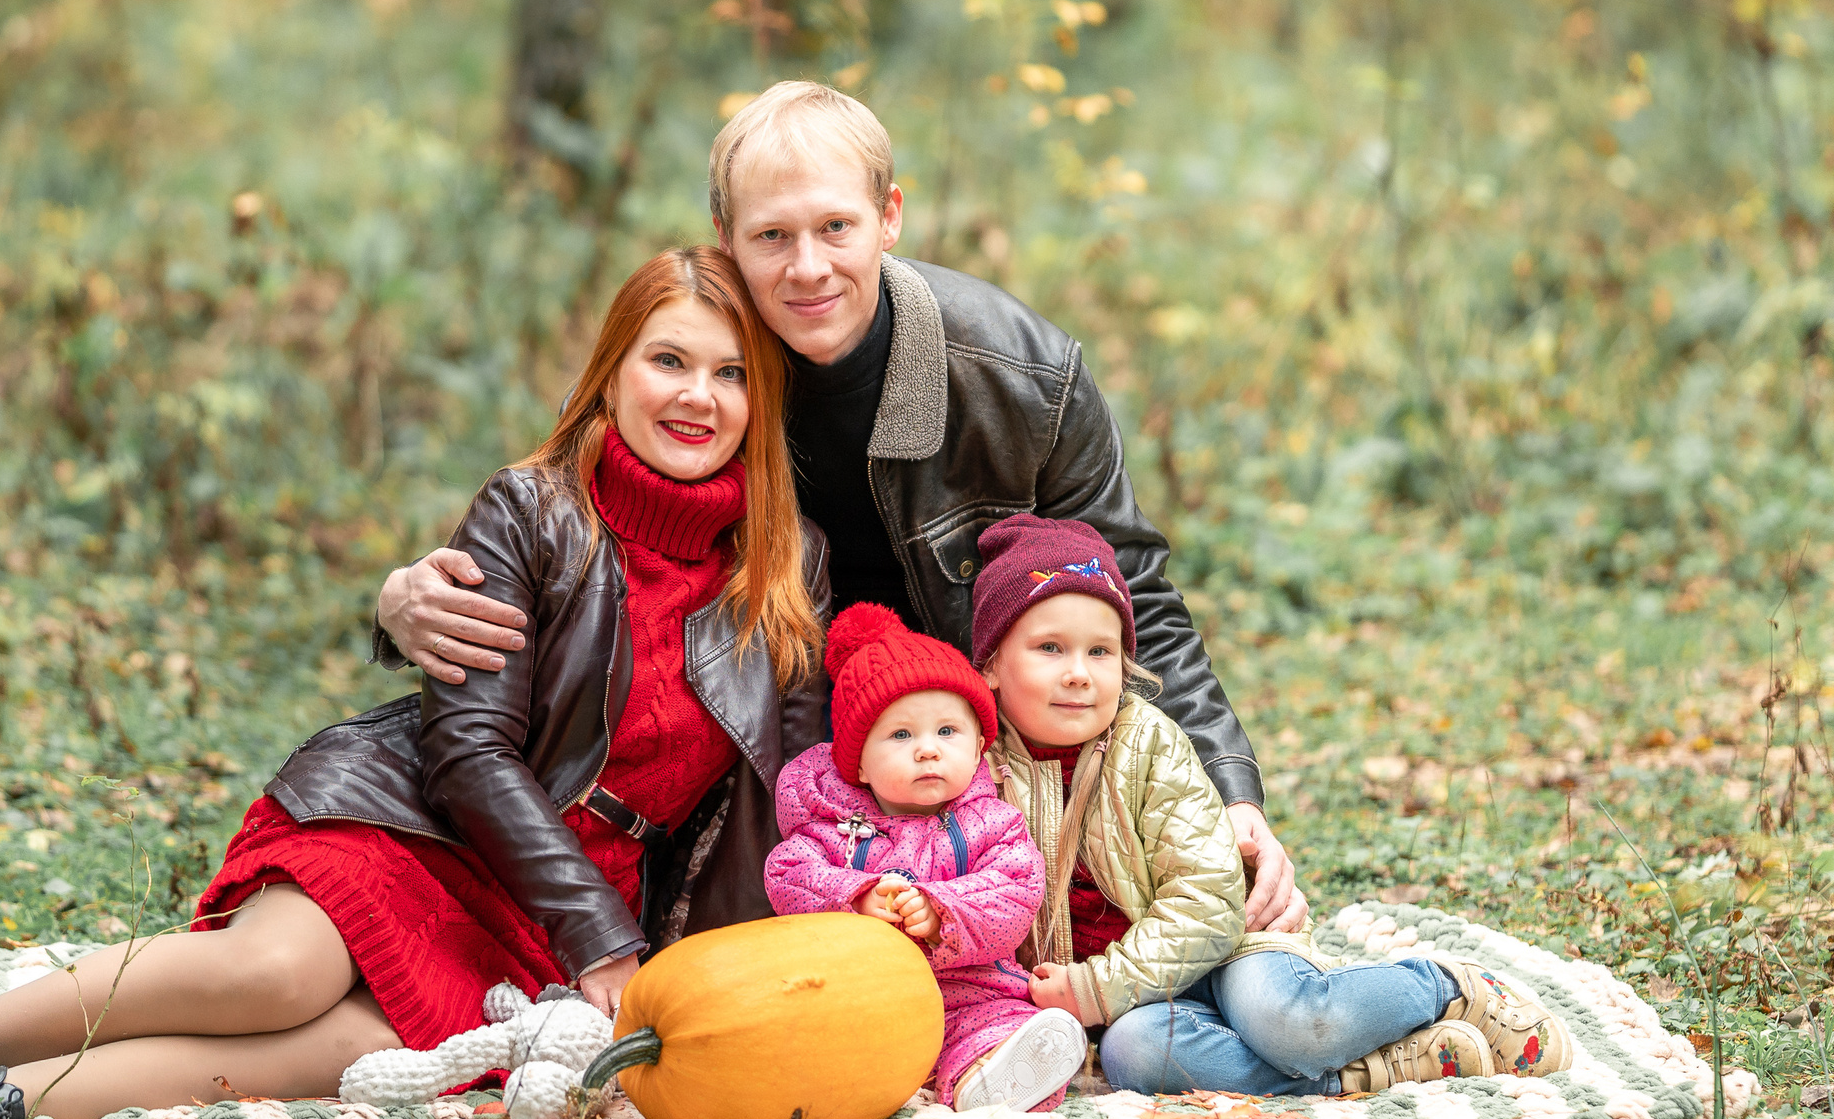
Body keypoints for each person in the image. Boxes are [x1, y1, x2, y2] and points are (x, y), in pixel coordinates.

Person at [0, 248, 828, 1119]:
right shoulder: (532, 512)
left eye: (729, 373)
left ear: (757, 399)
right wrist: (597, 932)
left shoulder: (785, 567)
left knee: (327, 1048)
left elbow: (782, 793)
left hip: (563, 910)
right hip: (424, 823)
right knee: (272, 976)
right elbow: (469, 752)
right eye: (668, 359)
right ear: (612, 369)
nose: (696, 395)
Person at [376, 80, 1310, 936]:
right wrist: (398, 602)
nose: (808, 267)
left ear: (890, 218)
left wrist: (1230, 791)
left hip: (979, 749)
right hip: (764, 769)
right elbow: (573, 508)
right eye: (772, 236)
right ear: (725, 233)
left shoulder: (1023, 378)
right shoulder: (706, 368)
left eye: (836, 227)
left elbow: (1132, 592)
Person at [969, 513, 1574, 1096]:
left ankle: (1444, 987)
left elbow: (1205, 902)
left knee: (1290, 1025)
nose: (1080, 674)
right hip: (1131, 1001)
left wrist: (1099, 986)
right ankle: (1378, 1071)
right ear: (992, 663)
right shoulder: (973, 765)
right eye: (1051, 648)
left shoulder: (1146, 744)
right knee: (1136, 1056)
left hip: (1226, 943)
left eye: (1100, 652)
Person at [763, 604, 1087, 1113]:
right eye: (900, 735)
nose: (927, 751)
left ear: (980, 746)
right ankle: (837, 1078)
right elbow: (788, 876)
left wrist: (942, 912)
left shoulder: (993, 824)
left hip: (968, 995)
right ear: (859, 764)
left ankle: (990, 1076)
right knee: (802, 1028)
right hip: (859, 997)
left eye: (946, 732)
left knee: (1004, 1025)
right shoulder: (830, 829)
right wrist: (855, 898)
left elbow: (1014, 893)